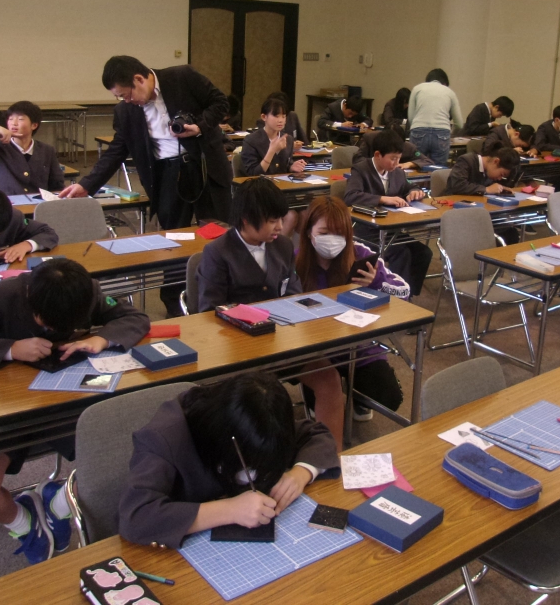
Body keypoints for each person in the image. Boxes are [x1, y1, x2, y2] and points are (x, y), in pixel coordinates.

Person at [0, 259, 150, 563]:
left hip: (70, 402)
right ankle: (26, 524)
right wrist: (11, 349)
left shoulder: (86, 291)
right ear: (30, 299)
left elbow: (135, 317)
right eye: (47, 325)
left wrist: (99, 338)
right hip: (12, 409)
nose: (54, 332)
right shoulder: (4, 295)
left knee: (137, 455)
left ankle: (59, 503)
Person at [195, 177, 346, 449]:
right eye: (272, 220)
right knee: (259, 402)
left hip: (282, 343)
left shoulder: (283, 246)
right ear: (246, 219)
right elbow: (208, 314)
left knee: (329, 377)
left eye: (280, 219)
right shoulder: (217, 253)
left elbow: (295, 293)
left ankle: (331, 455)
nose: (280, 226)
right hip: (239, 352)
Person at [118, 373, 338, 549]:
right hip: (183, 552)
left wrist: (299, 474)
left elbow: (317, 435)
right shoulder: (164, 437)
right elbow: (135, 517)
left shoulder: (263, 422)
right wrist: (230, 510)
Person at [58, 56, 233, 232]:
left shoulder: (182, 77)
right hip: (168, 173)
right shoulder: (125, 111)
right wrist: (87, 184)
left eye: (125, 95)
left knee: (217, 230)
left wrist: (200, 126)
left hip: (205, 164)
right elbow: (116, 151)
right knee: (173, 233)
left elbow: (220, 102)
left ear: (139, 79)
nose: (126, 101)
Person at [295, 196, 408, 420]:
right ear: (309, 232)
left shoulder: (361, 255)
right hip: (317, 350)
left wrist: (377, 282)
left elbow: (404, 291)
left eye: (339, 233)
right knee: (322, 410)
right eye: (324, 232)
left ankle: (356, 396)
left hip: (360, 348)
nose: (332, 239)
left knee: (390, 398)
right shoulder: (296, 261)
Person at [344, 130, 433, 296]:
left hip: (391, 229)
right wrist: (383, 199)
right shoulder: (361, 169)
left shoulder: (397, 172)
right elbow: (351, 196)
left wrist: (414, 192)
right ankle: (396, 297)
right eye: (393, 158)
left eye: (399, 158)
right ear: (378, 155)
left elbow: (409, 186)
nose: (396, 163)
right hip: (367, 230)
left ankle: (408, 293)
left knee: (424, 253)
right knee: (402, 253)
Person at [0, 101, 65, 196]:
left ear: (34, 125)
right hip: (6, 206)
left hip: (37, 206)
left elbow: (57, 185)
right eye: (10, 119)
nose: (14, 123)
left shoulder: (47, 150)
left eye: (20, 119)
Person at [241, 97, 307, 178]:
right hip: (261, 184)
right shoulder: (251, 140)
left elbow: (285, 166)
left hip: (282, 183)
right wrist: (272, 150)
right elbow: (253, 174)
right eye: (276, 116)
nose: (280, 120)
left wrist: (291, 167)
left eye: (283, 116)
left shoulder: (288, 139)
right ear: (264, 117)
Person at [408, 69, 462, 166]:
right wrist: (450, 134)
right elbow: (459, 124)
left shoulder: (417, 89)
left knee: (415, 165)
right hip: (442, 134)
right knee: (438, 169)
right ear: (445, 83)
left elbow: (411, 118)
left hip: (419, 132)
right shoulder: (450, 92)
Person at [445, 142, 521, 196]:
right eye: (501, 174)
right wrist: (486, 189)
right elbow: (458, 186)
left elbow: (489, 186)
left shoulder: (489, 171)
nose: (499, 178)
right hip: (453, 203)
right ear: (496, 161)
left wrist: (500, 188)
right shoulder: (466, 161)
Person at [353, 125, 431, 170]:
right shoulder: (370, 139)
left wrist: (409, 164)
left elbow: (426, 161)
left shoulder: (409, 147)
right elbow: (357, 159)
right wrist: (378, 164)